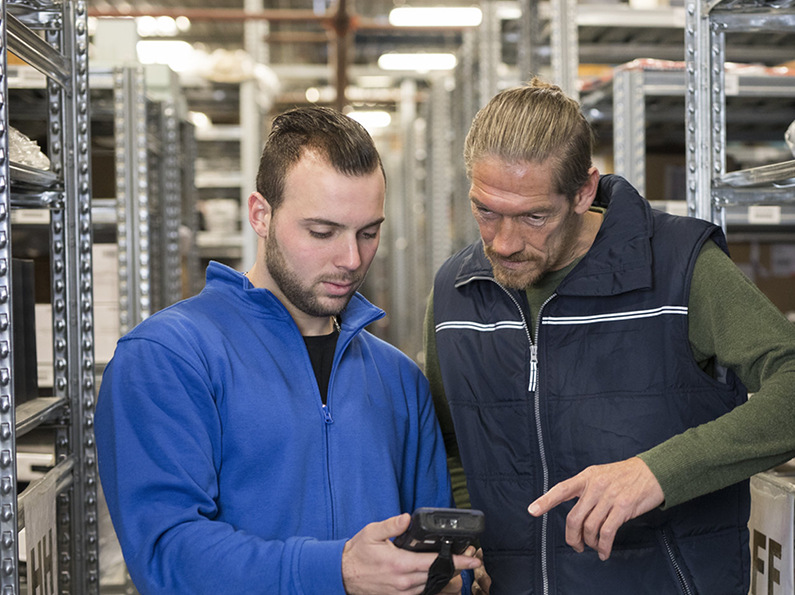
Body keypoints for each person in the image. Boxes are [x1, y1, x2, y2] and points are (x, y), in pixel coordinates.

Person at [424, 78, 795, 594]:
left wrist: (659, 472)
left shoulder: (677, 268)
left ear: (583, 191)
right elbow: (447, 444)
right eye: (486, 211)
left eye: (534, 216)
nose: (505, 243)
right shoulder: (457, 294)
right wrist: (468, 544)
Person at [96, 106, 479, 595]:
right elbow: (167, 555)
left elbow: (435, 556)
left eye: (368, 232)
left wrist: (451, 581)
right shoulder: (167, 358)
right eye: (322, 232)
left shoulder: (399, 380)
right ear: (261, 214)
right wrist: (336, 570)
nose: (351, 259)